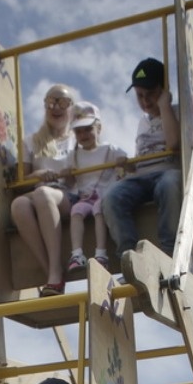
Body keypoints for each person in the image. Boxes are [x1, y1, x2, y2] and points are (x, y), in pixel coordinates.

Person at [102, 57, 182, 263]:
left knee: (170, 183)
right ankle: (129, 256)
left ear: (163, 90)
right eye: (140, 96)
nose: (145, 102)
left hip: (165, 172)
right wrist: (128, 164)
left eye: (151, 94)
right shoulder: (141, 123)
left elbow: (173, 144)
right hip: (142, 177)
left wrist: (165, 106)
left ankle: (169, 252)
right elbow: (142, 159)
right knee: (112, 196)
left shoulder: (176, 111)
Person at [10, 83, 76, 298]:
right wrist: (38, 176)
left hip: (69, 194)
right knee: (19, 204)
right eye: (51, 102)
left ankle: (56, 270)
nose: (56, 107)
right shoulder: (31, 141)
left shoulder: (78, 138)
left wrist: (72, 173)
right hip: (40, 193)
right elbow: (22, 182)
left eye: (62, 102)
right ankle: (51, 273)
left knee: (43, 194)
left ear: (70, 107)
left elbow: (92, 173)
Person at [60, 103, 127, 278]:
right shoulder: (74, 156)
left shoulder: (109, 150)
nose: (83, 135)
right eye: (78, 131)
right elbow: (69, 182)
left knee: (99, 209)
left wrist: (123, 162)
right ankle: (77, 253)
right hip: (85, 198)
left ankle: (101, 253)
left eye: (87, 129)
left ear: (98, 128)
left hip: (103, 196)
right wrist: (67, 175)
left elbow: (126, 162)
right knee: (76, 210)